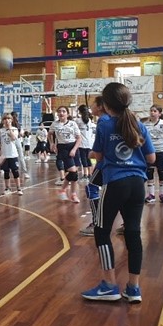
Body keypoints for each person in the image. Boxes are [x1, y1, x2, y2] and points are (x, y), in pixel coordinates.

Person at [82, 82, 155, 303]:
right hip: (137, 184)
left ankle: (109, 285)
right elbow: (151, 158)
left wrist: (100, 155)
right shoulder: (138, 124)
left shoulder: (105, 124)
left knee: (102, 231)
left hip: (115, 183)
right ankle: (134, 288)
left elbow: (98, 156)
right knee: (133, 233)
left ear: (105, 104)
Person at [81, 96, 108, 237]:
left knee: (91, 188)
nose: (90, 106)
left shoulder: (103, 121)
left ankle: (97, 224)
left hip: (106, 163)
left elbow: (99, 152)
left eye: (93, 104)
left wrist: (92, 153)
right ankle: (126, 224)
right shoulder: (117, 119)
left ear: (100, 106)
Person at [50, 106, 82, 203]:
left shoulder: (73, 124)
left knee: (74, 174)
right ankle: (63, 190)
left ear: (67, 114)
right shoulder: (55, 124)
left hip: (73, 146)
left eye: (64, 111)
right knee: (72, 171)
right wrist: (52, 143)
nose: (61, 113)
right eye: (59, 111)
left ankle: (72, 194)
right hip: (63, 147)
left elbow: (79, 138)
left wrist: (74, 149)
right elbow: (50, 134)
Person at [144, 105, 163, 204]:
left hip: (162, 150)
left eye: (155, 111)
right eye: (151, 111)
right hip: (150, 151)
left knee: (161, 172)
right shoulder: (145, 124)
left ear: (159, 113)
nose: (152, 112)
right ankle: (151, 195)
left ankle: (162, 194)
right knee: (149, 172)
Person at [0, 114, 23, 195]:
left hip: (13, 154)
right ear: (3, 121)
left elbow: (14, 138)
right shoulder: (0, 131)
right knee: (6, 172)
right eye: (5, 119)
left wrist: (9, 129)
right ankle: (7, 188)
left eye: (8, 118)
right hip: (4, 155)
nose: (7, 120)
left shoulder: (15, 129)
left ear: (11, 120)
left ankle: (18, 188)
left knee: (15, 171)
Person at [75, 105, 96, 181]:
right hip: (90, 143)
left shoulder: (78, 121)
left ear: (80, 112)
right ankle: (90, 174)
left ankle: (85, 174)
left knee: (83, 159)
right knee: (88, 159)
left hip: (82, 143)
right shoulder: (90, 121)